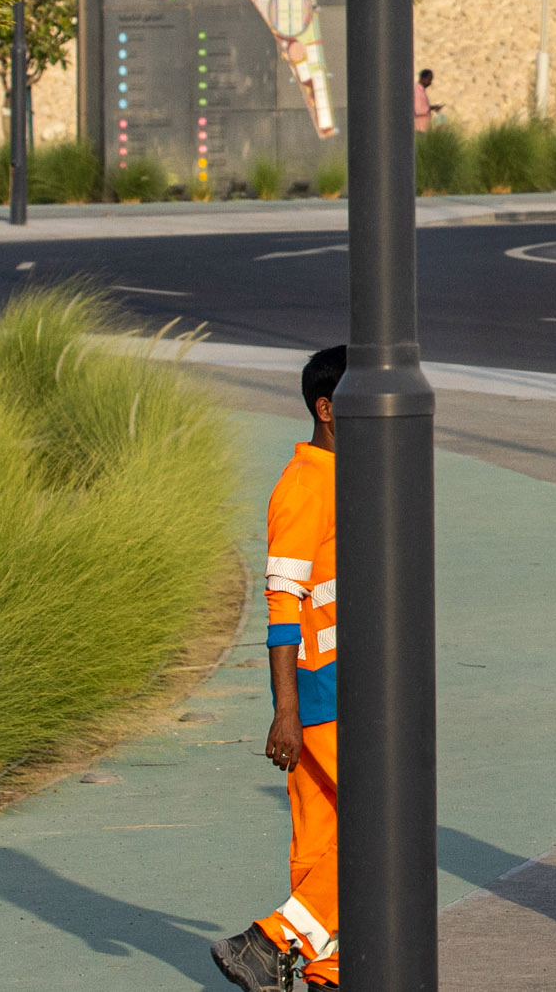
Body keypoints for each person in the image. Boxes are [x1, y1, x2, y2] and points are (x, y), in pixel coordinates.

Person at [211, 345, 347, 992]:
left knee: (320, 839)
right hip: (326, 694)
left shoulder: (341, 478)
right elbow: (283, 606)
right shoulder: (304, 485)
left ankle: (323, 972)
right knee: (381, 831)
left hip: (336, 691)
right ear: (326, 408)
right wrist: (285, 709)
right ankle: (271, 942)